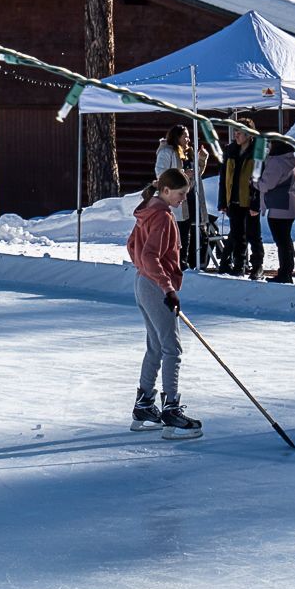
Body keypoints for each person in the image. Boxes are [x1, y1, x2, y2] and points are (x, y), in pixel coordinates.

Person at [126, 167, 201, 438]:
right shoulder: (162, 216)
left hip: (143, 283)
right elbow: (149, 255)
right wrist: (167, 289)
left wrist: (146, 274)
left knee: (156, 347)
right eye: (180, 194)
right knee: (172, 349)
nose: (183, 199)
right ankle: (171, 411)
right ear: (166, 190)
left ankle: (144, 405)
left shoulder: (148, 210)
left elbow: (131, 245)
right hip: (155, 286)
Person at [219, 115, 263, 278]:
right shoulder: (230, 151)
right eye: (235, 132)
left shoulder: (257, 152)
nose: (235, 135)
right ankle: (239, 265)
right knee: (238, 236)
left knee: (253, 235)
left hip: (250, 200)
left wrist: (256, 203)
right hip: (234, 199)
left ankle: (257, 266)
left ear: (249, 134)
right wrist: (223, 201)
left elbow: (260, 180)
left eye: (239, 132)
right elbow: (224, 178)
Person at [258, 131, 295, 281]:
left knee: (281, 241)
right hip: (290, 203)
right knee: (285, 240)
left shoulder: (277, 162)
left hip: (279, 205)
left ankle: (284, 272)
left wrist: (254, 182)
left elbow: (267, 184)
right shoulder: (290, 159)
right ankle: (287, 270)